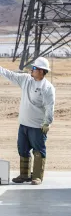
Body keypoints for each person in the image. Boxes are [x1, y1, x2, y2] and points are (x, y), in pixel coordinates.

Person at [0, 57, 55, 185]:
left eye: (34, 68)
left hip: (37, 126)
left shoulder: (47, 88)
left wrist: (47, 122)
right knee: (22, 149)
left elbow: (49, 107)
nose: (31, 70)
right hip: (24, 124)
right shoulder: (26, 80)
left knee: (38, 151)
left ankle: (37, 176)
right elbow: (10, 75)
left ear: (42, 71)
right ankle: (24, 175)